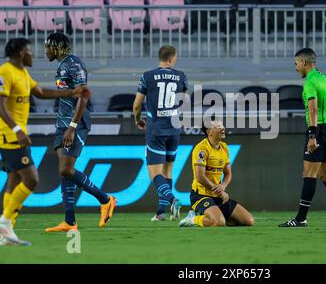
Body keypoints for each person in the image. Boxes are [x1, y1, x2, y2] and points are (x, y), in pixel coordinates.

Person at [0, 38, 89, 245]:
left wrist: (73, 92)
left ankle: (7, 231)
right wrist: (15, 129)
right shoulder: (5, 72)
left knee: (14, 180)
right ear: (22, 52)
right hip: (9, 136)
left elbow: (41, 93)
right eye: (30, 51)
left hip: (17, 135)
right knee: (31, 179)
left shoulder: (23, 73)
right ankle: (5, 222)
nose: (34, 54)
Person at [44, 33, 116, 233]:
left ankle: (105, 199)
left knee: (66, 169)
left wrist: (72, 127)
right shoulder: (62, 66)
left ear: (57, 47)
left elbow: (83, 96)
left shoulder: (74, 64)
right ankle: (70, 222)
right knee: (63, 170)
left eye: (48, 46)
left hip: (75, 124)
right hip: (62, 123)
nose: (45, 51)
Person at [279, 48, 326, 228]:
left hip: (318, 130)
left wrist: (312, 134)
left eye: (296, 63)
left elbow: (312, 109)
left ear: (304, 62)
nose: (296, 67)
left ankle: (300, 219)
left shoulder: (310, 82)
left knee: (309, 174)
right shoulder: (323, 79)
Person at [133, 45, 187, 221]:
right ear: (171, 59)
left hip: (156, 130)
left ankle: (173, 200)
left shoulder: (147, 76)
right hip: (174, 130)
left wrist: (137, 119)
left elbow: (136, 104)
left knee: (155, 174)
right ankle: (161, 212)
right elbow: (184, 102)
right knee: (168, 172)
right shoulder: (181, 76)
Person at [179, 120, 254, 228]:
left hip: (217, 195)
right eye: (218, 126)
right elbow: (200, 177)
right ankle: (193, 219)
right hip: (201, 195)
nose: (222, 128)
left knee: (249, 221)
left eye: (222, 125)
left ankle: (217, 215)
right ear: (209, 132)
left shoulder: (224, 147)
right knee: (218, 222)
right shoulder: (201, 149)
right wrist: (220, 192)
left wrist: (222, 187)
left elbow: (228, 173)